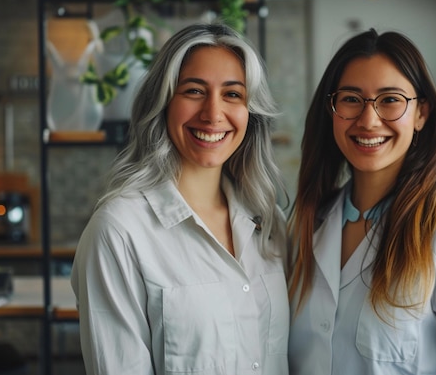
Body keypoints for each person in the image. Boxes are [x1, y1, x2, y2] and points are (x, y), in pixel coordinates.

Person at [287, 28, 436, 374]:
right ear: (331, 110)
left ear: (421, 113)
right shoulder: (306, 224)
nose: (368, 120)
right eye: (351, 99)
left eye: (390, 100)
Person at [71, 23, 290, 375]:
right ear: (162, 103)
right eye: (193, 91)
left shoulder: (269, 222)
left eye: (232, 94)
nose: (213, 113)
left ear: (251, 113)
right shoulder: (119, 231)